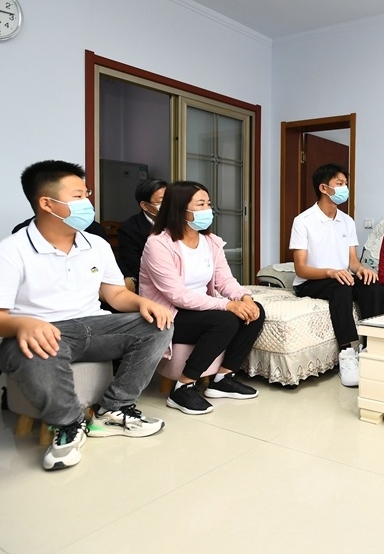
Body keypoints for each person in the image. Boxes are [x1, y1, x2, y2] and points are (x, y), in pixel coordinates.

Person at [0, 160, 173, 471]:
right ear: (47, 203)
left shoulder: (97, 244)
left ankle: (114, 409)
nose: (88, 203)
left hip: (94, 326)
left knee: (157, 325)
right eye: (78, 196)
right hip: (43, 332)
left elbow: (115, 295)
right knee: (31, 347)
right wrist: (23, 323)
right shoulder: (12, 250)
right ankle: (68, 425)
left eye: (86, 194)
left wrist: (142, 303)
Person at [140, 181, 265, 415]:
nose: (208, 209)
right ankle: (183, 387)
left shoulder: (211, 242)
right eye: (200, 204)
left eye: (208, 203)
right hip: (170, 315)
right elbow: (177, 295)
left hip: (200, 310)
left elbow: (224, 280)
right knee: (225, 319)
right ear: (180, 209)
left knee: (255, 311)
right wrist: (226, 305)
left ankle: (223, 379)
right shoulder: (158, 244)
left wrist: (244, 298)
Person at [290, 163, 384, 388]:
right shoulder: (303, 221)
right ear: (323, 188)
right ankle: (346, 352)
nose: (345, 188)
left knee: (372, 285)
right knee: (342, 286)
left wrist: (362, 270)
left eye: (345, 184)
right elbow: (300, 268)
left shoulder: (347, 221)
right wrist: (330, 272)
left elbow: (353, 262)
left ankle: (369, 347)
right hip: (311, 281)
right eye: (339, 184)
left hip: (341, 278)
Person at [119, 178, 168, 291]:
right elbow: (132, 264)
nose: (168, 205)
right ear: (145, 205)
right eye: (161, 201)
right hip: (152, 284)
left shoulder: (178, 222)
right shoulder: (130, 228)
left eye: (169, 200)